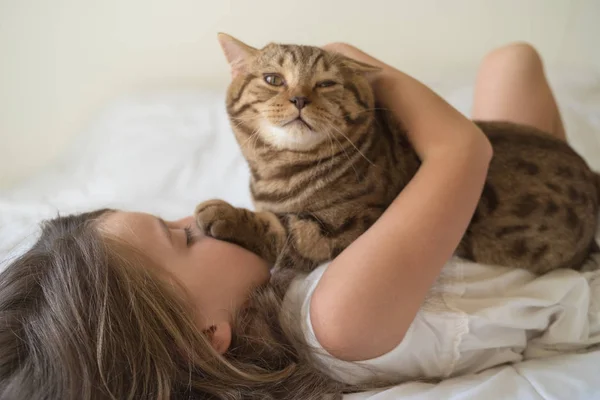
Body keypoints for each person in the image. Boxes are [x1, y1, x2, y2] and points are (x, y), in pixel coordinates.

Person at [0, 42, 590, 400]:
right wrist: (356, 66)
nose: (198, 216)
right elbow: (464, 153)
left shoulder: (280, 299)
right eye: (182, 237)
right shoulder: (337, 321)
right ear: (208, 336)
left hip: (522, 217)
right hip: (571, 263)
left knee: (510, 62)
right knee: (512, 62)